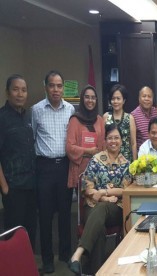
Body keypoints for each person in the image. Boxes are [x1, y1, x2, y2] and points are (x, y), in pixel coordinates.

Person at [68, 123, 132, 275]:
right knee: (99, 229)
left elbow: (125, 190)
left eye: (117, 138)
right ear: (105, 141)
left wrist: (102, 192)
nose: (113, 141)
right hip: (93, 205)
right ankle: (96, 272)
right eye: (110, 138)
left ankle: (77, 254)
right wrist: (104, 198)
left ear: (121, 141)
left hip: (116, 208)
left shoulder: (126, 164)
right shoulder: (96, 159)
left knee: (102, 208)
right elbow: (87, 187)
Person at [32, 70, 75, 273]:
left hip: (64, 166)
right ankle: (47, 260)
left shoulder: (70, 110)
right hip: (45, 168)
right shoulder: (36, 110)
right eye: (52, 85)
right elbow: (32, 139)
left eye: (59, 86)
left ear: (63, 87)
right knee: (46, 215)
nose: (56, 90)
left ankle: (66, 255)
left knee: (65, 214)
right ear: (45, 86)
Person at [0, 74, 36, 248]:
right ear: (7, 92)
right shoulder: (2, 118)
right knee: (13, 233)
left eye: (23, 90)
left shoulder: (27, 116)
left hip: (31, 185)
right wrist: (4, 187)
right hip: (13, 187)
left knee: (29, 230)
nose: (20, 94)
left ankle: (28, 267)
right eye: (15, 89)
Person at [66, 85, 105, 192]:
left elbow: (103, 146)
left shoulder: (100, 120)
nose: (90, 100)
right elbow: (69, 147)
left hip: (98, 169)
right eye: (87, 97)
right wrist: (88, 151)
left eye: (93, 98)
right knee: (82, 206)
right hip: (81, 170)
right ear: (82, 99)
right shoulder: (74, 120)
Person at [103, 84, 137, 161]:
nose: (115, 101)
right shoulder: (106, 116)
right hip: (109, 160)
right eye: (113, 99)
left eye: (118, 98)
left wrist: (135, 164)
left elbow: (133, 143)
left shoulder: (130, 118)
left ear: (124, 100)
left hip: (126, 160)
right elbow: (103, 140)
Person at [131, 86, 157, 150]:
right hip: (142, 156)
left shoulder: (156, 112)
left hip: (156, 154)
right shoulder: (133, 116)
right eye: (144, 96)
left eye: (149, 96)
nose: (147, 99)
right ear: (139, 99)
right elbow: (133, 143)